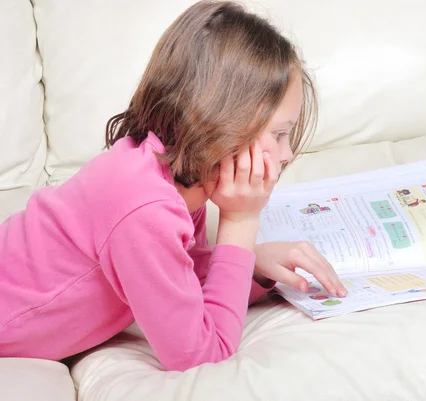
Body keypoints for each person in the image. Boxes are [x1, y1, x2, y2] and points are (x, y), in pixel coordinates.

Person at [0, 1, 346, 372]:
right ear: (220, 122)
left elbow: (182, 287)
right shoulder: (144, 206)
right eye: (279, 134)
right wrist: (241, 222)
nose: (286, 153)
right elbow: (201, 354)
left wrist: (254, 264)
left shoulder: (172, 174)